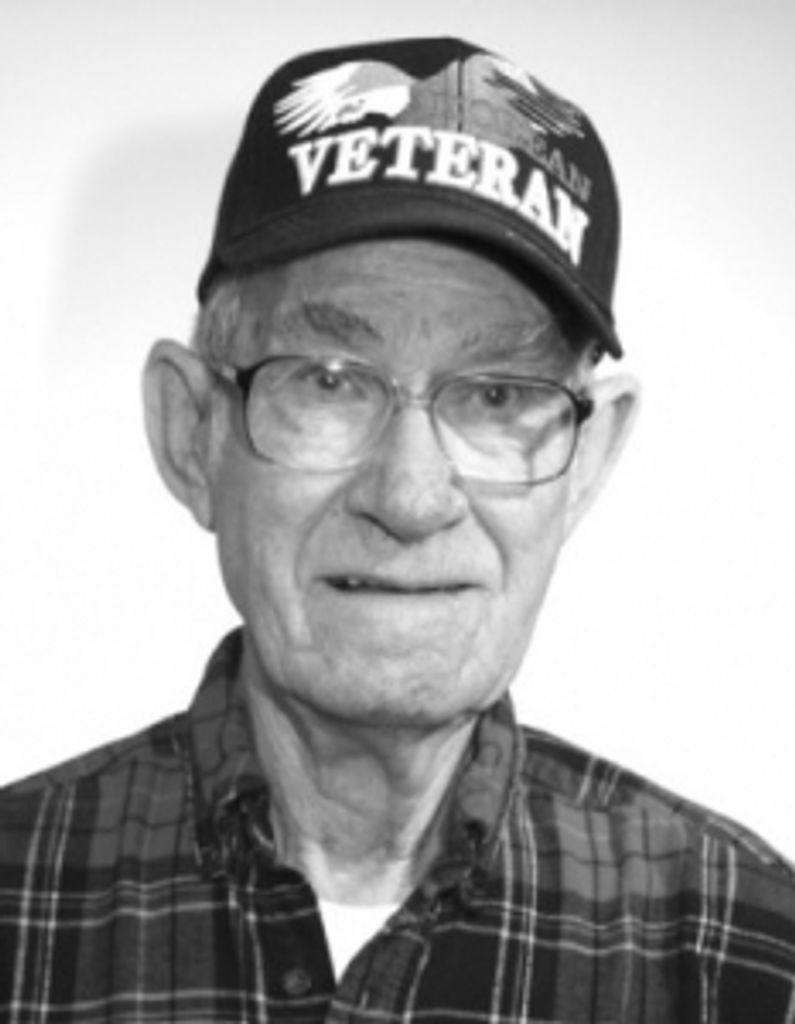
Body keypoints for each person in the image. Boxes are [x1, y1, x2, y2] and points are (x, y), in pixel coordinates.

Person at [1, 34, 793, 1023]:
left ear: (586, 463)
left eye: (498, 394)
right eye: (329, 382)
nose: (412, 496)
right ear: (192, 434)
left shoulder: (744, 954)